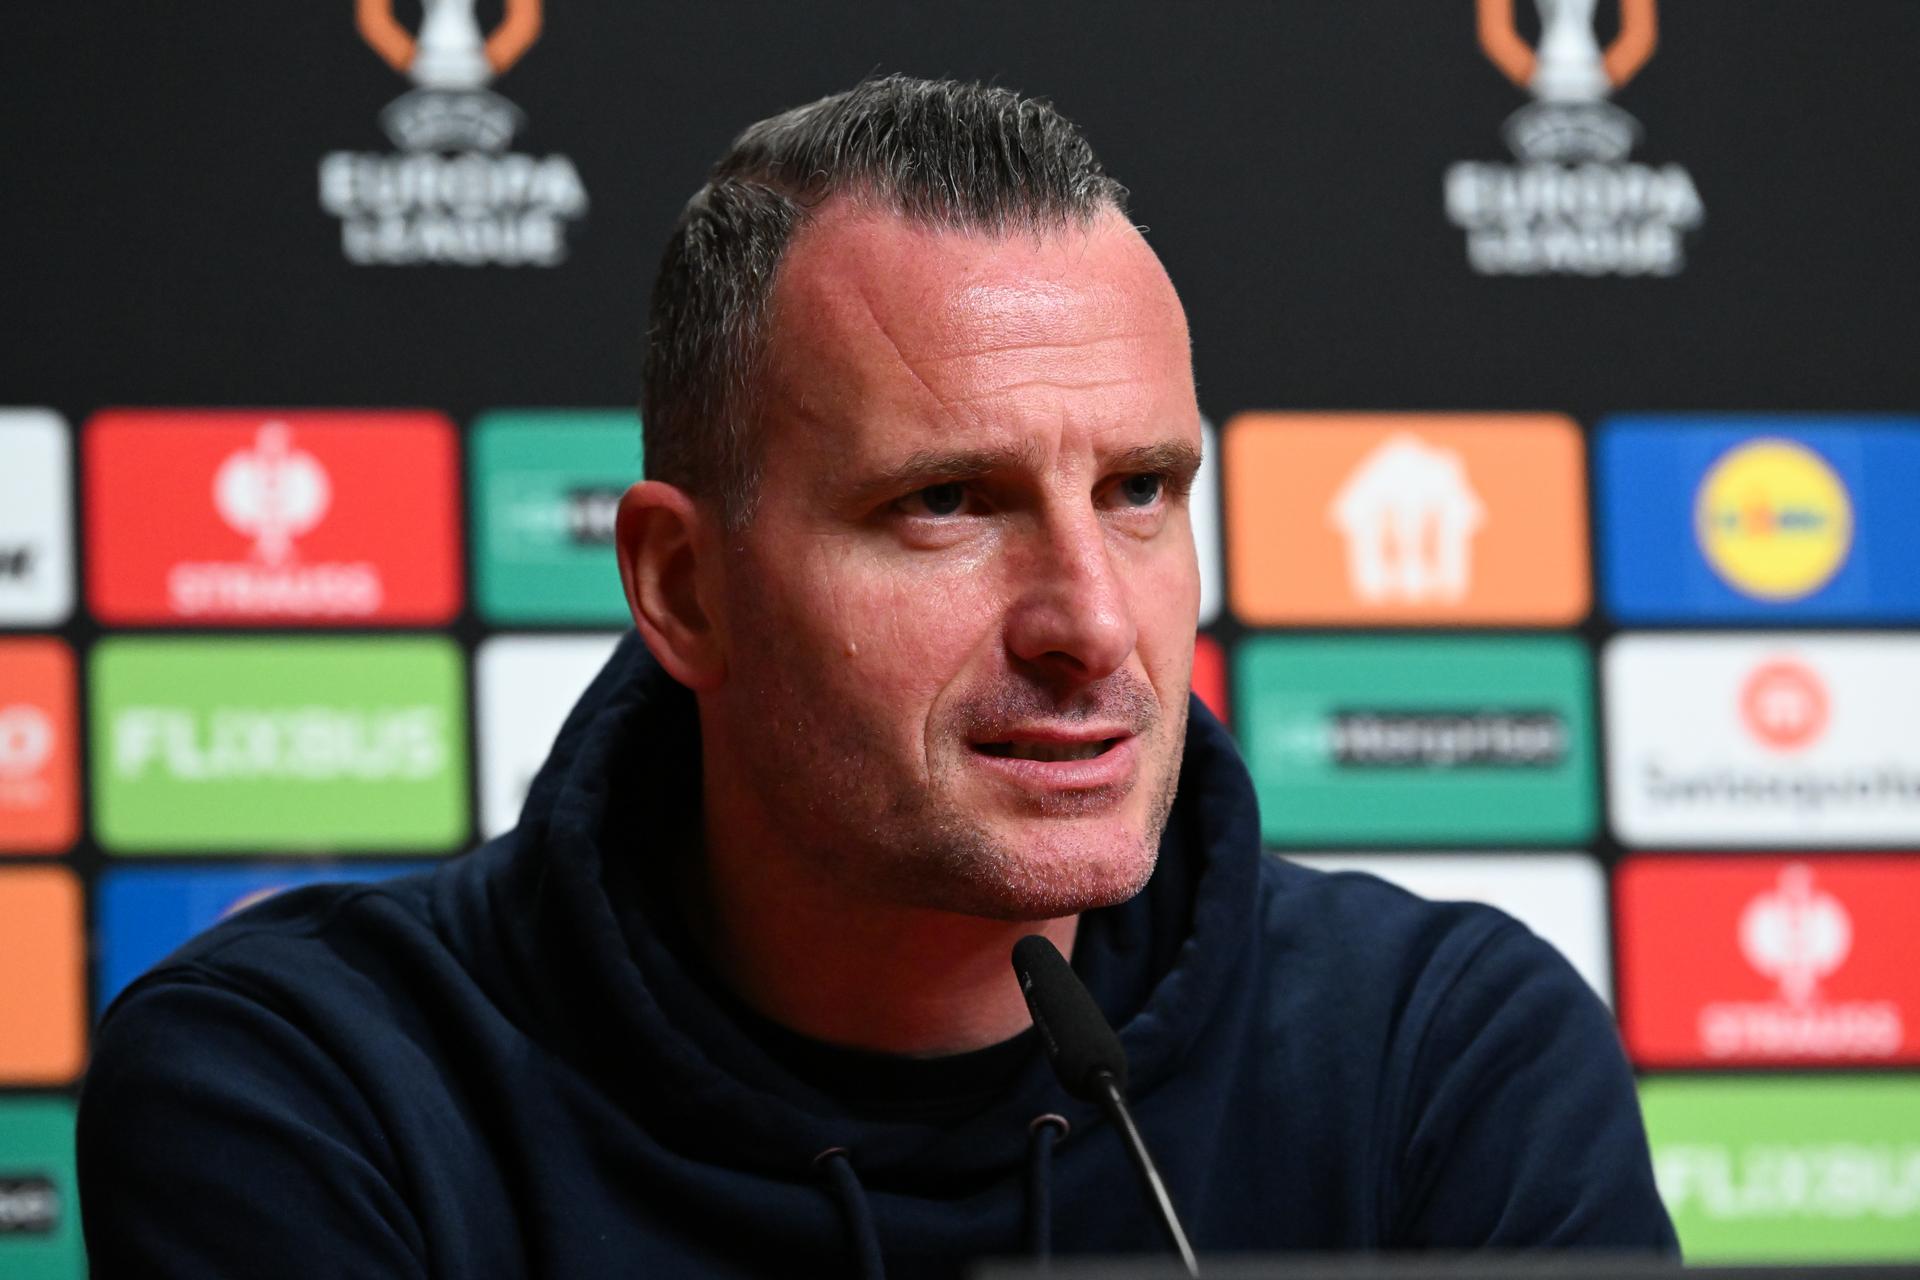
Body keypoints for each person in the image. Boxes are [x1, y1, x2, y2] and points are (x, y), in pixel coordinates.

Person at [77, 76, 1677, 1277]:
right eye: (946, 503)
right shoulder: (312, 1083)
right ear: (684, 588)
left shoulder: (1444, 1061)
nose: (1092, 626)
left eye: (1139, 491)